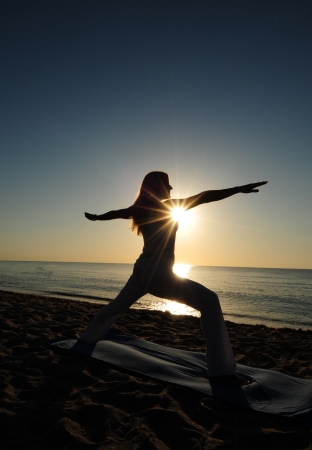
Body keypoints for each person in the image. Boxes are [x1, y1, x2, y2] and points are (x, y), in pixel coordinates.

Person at [80, 171, 267, 385]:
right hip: (159, 274)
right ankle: (221, 371)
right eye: (168, 185)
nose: (171, 189)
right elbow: (205, 196)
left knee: (116, 307)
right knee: (209, 300)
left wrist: (96, 217)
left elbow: (115, 213)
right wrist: (238, 189)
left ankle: (87, 339)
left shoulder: (138, 210)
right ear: (158, 187)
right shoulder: (167, 206)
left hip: (142, 270)